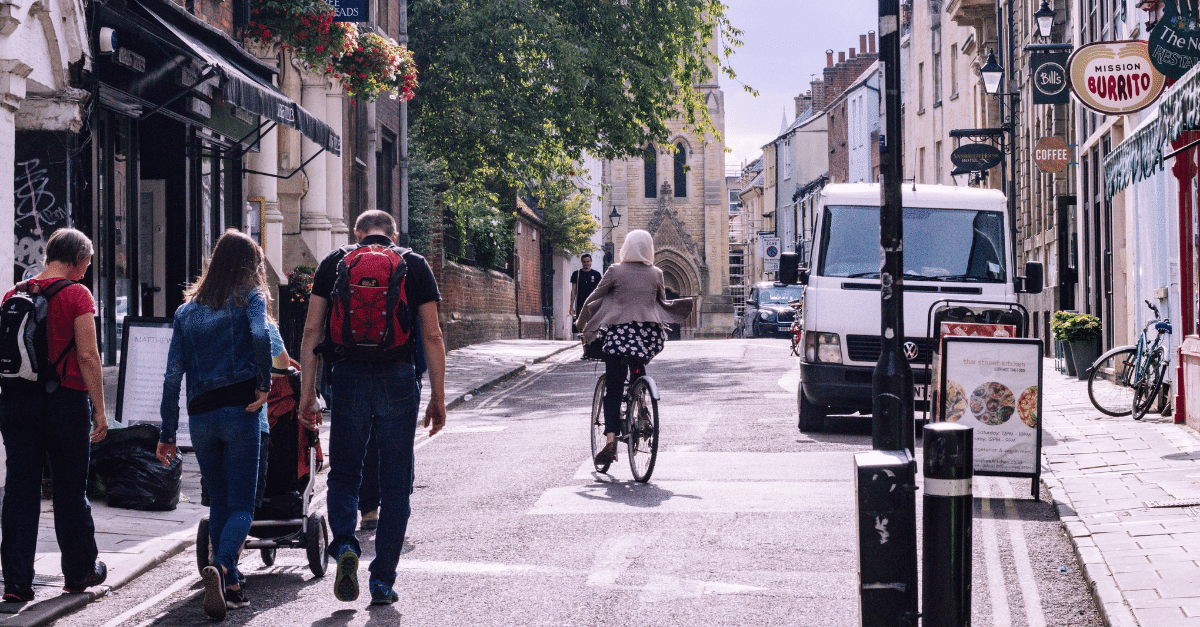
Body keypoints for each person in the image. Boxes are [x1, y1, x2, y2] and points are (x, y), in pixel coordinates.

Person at [298, 210, 446, 606]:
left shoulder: (334, 262)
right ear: (393, 235)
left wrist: (306, 394)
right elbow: (432, 334)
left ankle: (345, 543)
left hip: (347, 378)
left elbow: (312, 330)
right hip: (398, 377)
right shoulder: (413, 264)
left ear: (357, 234)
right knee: (397, 481)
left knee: (345, 471)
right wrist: (438, 396)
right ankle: (382, 580)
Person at [157, 230, 272, 620]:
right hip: (241, 409)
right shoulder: (249, 297)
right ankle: (222, 566)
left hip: (201, 414)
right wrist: (263, 384)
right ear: (248, 266)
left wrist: (167, 433)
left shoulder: (186, 311)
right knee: (242, 504)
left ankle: (231, 584)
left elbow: (172, 377)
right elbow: (260, 334)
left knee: (220, 498)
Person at [0, 228, 108, 603]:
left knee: (19, 490)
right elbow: (88, 356)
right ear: (77, 259)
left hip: (16, 401)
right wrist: (100, 410)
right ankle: (78, 574)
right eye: (86, 264)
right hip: (65, 401)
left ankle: (15, 582)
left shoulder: (14, 293)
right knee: (68, 489)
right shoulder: (77, 294)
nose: (85, 271)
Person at [575, 230, 692, 466]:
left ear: (626, 247)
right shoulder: (657, 273)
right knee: (638, 365)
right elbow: (660, 302)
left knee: (614, 388)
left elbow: (593, 298)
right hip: (647, 338)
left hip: (619, 336)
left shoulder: (615, 271)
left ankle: (610, 441)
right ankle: (643, 406)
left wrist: (581, 323)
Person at [569, 254, 602, 327]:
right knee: (581, 325)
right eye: (584, 262)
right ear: (581, 262)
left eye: (588, 261)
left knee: (592, 324)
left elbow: (600, 290)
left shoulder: (596, 274)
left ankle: (590, 338)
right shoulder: (576, 274)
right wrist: (571, 306)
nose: (586, 263)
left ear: (591, 261)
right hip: (580, 304)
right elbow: (573, 290)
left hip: (593, 304)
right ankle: (582, 338)